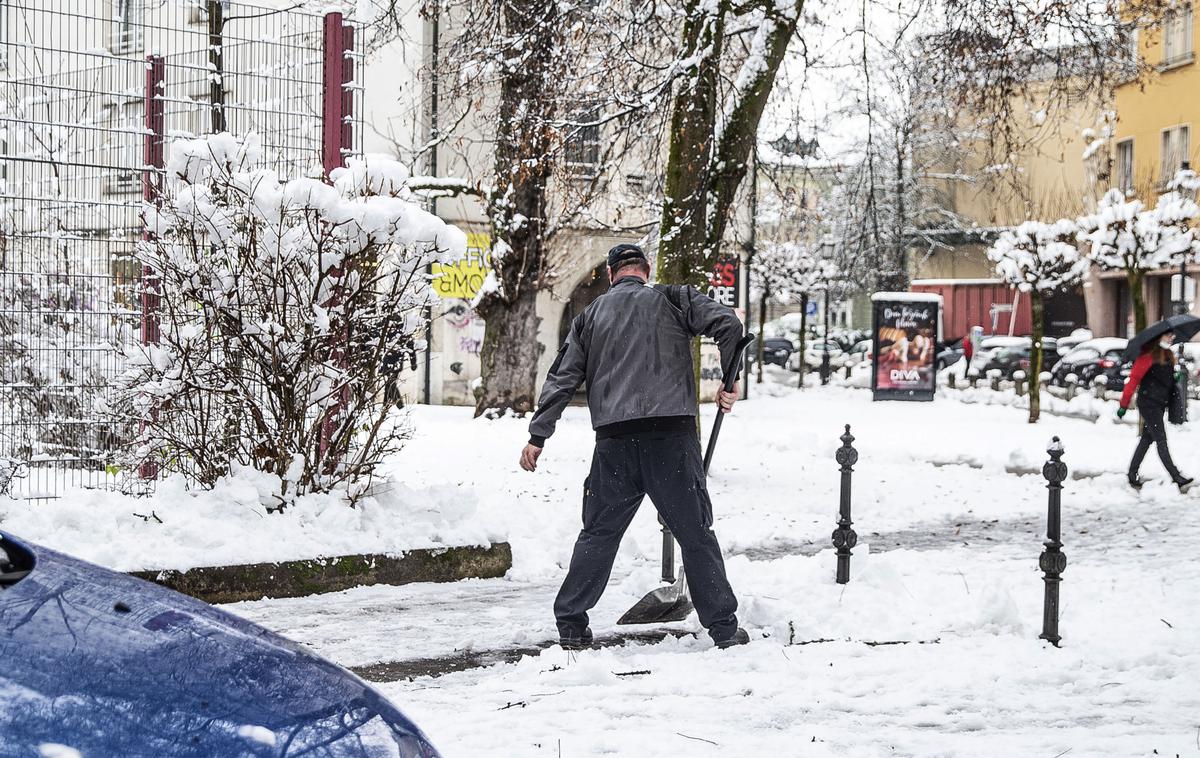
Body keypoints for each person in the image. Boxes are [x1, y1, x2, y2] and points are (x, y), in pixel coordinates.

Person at [518, 242, 749, 650]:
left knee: (598, 534)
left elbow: (561, 379)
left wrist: (539, 436)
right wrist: (729, 383)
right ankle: (724, 630)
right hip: (671, 440)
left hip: (615, 444)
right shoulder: (675, 298)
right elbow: (729, 325)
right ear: (647, 270)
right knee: (695, 534)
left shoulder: (589, 317)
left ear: (611, 275)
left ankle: (571, 625)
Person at [1117, 331, 1193, 492]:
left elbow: (1165, 379)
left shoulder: (1168, 355)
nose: (1171, 338)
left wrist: (1175, 377)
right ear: (1158, 338)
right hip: (1148, 403)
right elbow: (1134, 380)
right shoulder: (1146, 357)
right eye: (1168, 336)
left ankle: (1132, 473)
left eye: (1172, 336)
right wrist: (1123, 405)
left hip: (1159, 404)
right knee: (1161, 440)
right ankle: (1176, 476)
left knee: (1147, 439)